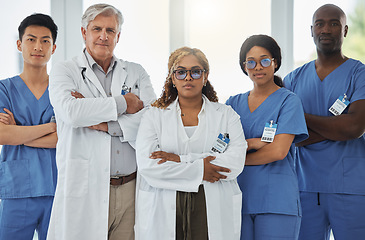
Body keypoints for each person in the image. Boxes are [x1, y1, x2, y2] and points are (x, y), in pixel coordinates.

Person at [46, 4, 156, 240]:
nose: (103, 36)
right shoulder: (64, 71)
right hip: (87, 187)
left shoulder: (136, 72)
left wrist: (106, 124)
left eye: (110, 30)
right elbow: (72, 112)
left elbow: (153, 120)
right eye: (97, 29)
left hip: (130, 189)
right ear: (84, 32)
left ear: (118, 36)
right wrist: (124, 103)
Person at [134, 47, 247, 240]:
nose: (188, 77)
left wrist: (179, 159)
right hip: (165, 202)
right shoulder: (153, 116)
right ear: (172, 77)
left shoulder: (226, 115)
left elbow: (235, 162)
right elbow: (149, 166)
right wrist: (201, 170)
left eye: (195, 71)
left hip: (210, 200)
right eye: (181, 72)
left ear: (205, 76)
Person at [284, 4, 365, 240]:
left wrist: (302, 120)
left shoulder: (359, 74)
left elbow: (354, 127)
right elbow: (286, 136)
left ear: (345, 30)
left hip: (351, 188)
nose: (326, 29)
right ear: (311, 30)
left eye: (334, 23)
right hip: (305, 187)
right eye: (320, 24)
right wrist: (336, 128)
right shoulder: (293, 80)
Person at [226, 35, 308, 240]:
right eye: (251, 62)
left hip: (277, 202)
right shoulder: (232, 104)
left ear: (275, 63)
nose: (257, 67)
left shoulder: (289, 101)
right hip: (239, 199)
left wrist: (236, 160)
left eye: (264, 60)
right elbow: (219, 147)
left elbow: (278, 151)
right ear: (244, 67)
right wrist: (253, 143)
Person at [0, 13, 58, 240]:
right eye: (31, 39)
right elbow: (3, 134)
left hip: (56, 188)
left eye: (45, 41)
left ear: (53, 48)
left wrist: (19, 131)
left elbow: (62, 139)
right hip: (17, 190)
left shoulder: (61, 91)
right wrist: (49, 127)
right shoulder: (4, 89)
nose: (38, 46)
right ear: (19, 44)